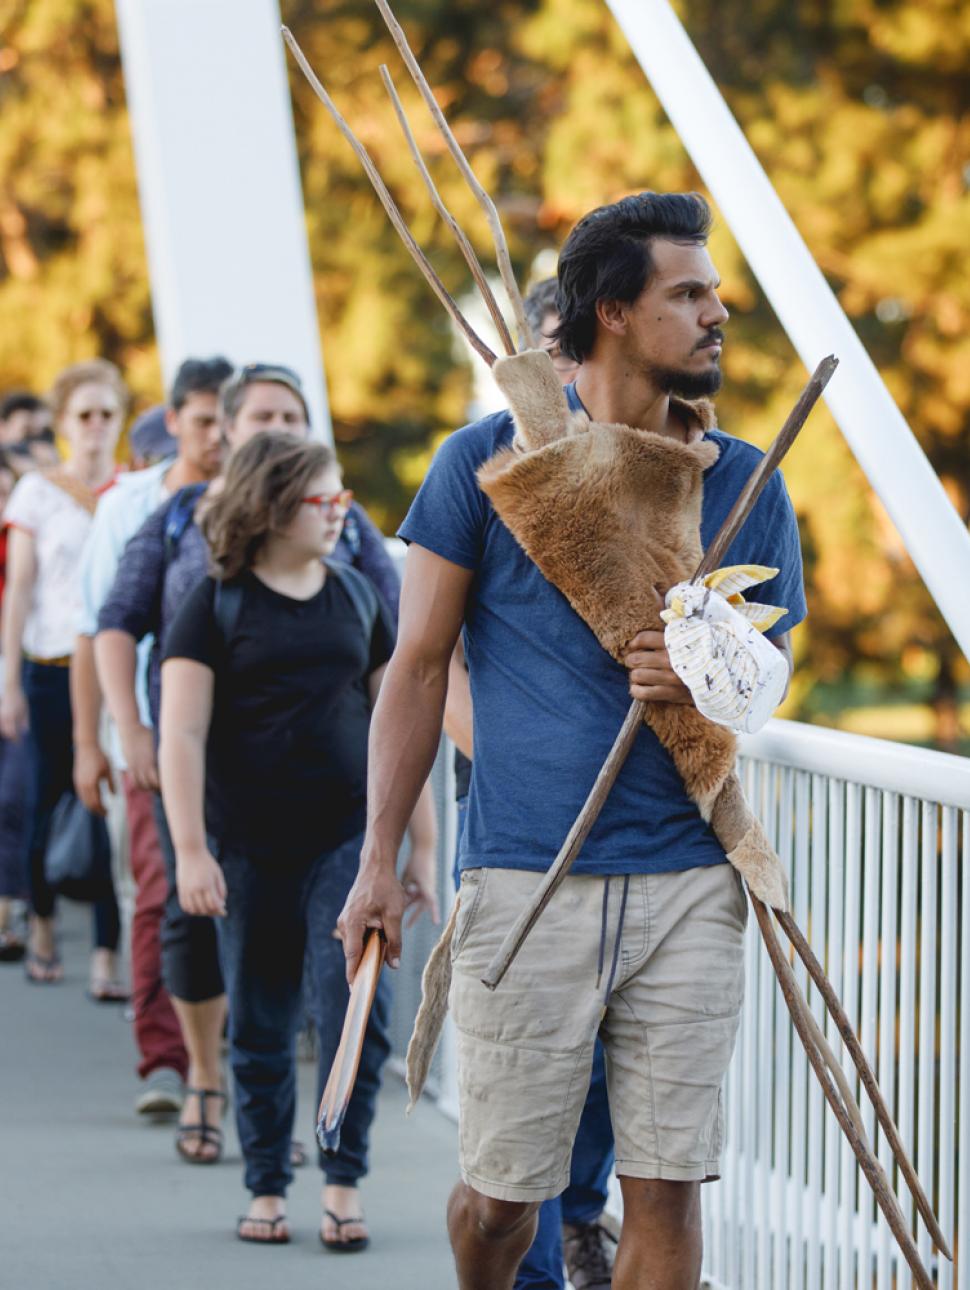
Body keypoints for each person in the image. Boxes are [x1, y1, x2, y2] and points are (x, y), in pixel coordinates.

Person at [337, 191, 806, 1290]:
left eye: (714, 292)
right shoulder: (485, 464)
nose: (715, 313)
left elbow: (760, 685)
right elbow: (415, 666)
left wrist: (695, 677)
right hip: (525, 874)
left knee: (669, 1194)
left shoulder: (745, 481)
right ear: (609, 312)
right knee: (504, 1203)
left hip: (692, 875)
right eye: (686, 294)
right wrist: (374, 862)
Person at [95, 363, 401, 1172]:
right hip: (199, 765)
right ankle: (203, 1074)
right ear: (229, 429)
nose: (285, 425)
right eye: (267, 413)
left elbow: (397, 643)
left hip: (324, 800)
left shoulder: (345, 527)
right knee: (189, 922)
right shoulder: (175, 521)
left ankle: (305, 1133)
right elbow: (118, 622)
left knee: (296, 965)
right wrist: (127, 727)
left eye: (296, 413)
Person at [158, 432, 438, 1247]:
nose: (341, 512)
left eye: (344, 497)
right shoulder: (214, 604)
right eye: (327, 499)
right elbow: (180, 734)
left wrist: (417, 847)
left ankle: (343, 1180)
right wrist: (189, 850)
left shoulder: (355, 594)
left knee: (357, 1008)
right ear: (275, 507)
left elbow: (400, 724)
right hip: (247, 848)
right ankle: (268, 1185)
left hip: (347, 846)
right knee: (261, 1018)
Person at [444, 277, 616, 1290]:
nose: (564, 371)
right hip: (519, 832)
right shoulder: (479, 461)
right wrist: (498, 755)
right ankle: (541, 1270)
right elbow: (428, 653)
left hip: (645, 844)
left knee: (600, 1079)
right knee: (529, 1096)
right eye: (549, 350)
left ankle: (585, 1214)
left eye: (575, 351)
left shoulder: (648, 462)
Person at [72, 358, 231, 1117]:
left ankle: (228, 1052)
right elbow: (97, 625)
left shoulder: (270, 493)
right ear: (173, 421)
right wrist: (109, 734)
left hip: (251, 746)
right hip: (154, 731)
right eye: (202, 419)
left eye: (226, 418)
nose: (218, 434)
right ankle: (171, 1060)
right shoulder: (135, 507)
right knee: (165, 889)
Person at [0, 360, 127, 992]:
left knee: (108, 810)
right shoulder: (37, 492)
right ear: (65, 421)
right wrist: (8, 681)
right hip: (48, 665)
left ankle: (107, 952)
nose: (97, 426)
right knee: (47, 800)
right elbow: (19, 589)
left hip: (116, 673)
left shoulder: (134, 489)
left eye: (108, 413)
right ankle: (43, 920)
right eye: (85, 415)